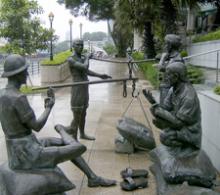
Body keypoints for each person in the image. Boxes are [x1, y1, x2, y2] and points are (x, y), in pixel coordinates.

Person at [0, 54, 116, 187]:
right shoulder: (18, 97)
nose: (27, 73)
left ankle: (92, 177)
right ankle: (62, 130)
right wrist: (49, 107)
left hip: (17, 150)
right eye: (25, 70)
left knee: (59, 142)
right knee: (77, 148)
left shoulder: (2, 94)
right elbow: (37, 126)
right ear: (18, 74)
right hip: (28, 155)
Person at [143, 62, 201, 154]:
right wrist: (153, 102)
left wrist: (160, 116)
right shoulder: (173, 90)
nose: (165, 78)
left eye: (167, 75)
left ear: (176, 76)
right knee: (160, 124)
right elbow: (165, 108)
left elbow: (179, 123)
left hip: (189, 132)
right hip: (178, 126)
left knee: (165, 137)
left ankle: (187, 149)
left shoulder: (189, 96)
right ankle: (177, 150)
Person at [67, 39, 112, 140]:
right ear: (73, 46)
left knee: (83, 112)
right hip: (77, 88)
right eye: (78, 45)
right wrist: (87, 57)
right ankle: (73, 138)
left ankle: (82, 134)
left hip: (84, 86)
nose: (81, 47)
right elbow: (84, 67)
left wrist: (100, 75)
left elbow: (86, 71)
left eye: (82, 45)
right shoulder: (71, 59)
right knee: (77, 113)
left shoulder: (82, 57)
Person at [157, 34, 184, 107]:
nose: (164, 46)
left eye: (165, 44)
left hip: (169, 90)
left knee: (164, 110)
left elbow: (161, 69)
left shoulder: (177, 59)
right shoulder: (172, 57)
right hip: (165, 87)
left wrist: (162, 58)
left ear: (170, 45)